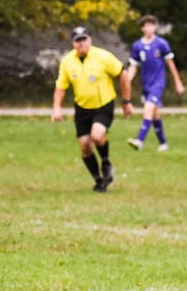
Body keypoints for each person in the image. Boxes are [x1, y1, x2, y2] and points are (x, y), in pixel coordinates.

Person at [51, 26, 132, 192]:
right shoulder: (67, 61)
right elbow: (61, 87)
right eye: (77, 40)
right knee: (85, 148)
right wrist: (56, 108)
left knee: (97, 135)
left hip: (104, 104)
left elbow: (122, 74)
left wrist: (126, 101)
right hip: (82, 107)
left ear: (90, 39)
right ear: (73, 43)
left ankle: (106, 162)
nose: (81, 43)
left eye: (84, 39)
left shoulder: (102, 56)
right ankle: (99, 179)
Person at [125, 15, 185, 152]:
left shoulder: (161, 43)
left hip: (158, 83)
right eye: (146, 25)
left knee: (148, 109)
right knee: (154, 113)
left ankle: (139, 141)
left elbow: (170, 63)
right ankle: (163, 143)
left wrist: (178, 82)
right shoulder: (137, 46)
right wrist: (128, 79)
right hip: (146, 84)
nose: (149, 28)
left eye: (152, 25)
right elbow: (133, 66)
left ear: (155, 27)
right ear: (142, 28)